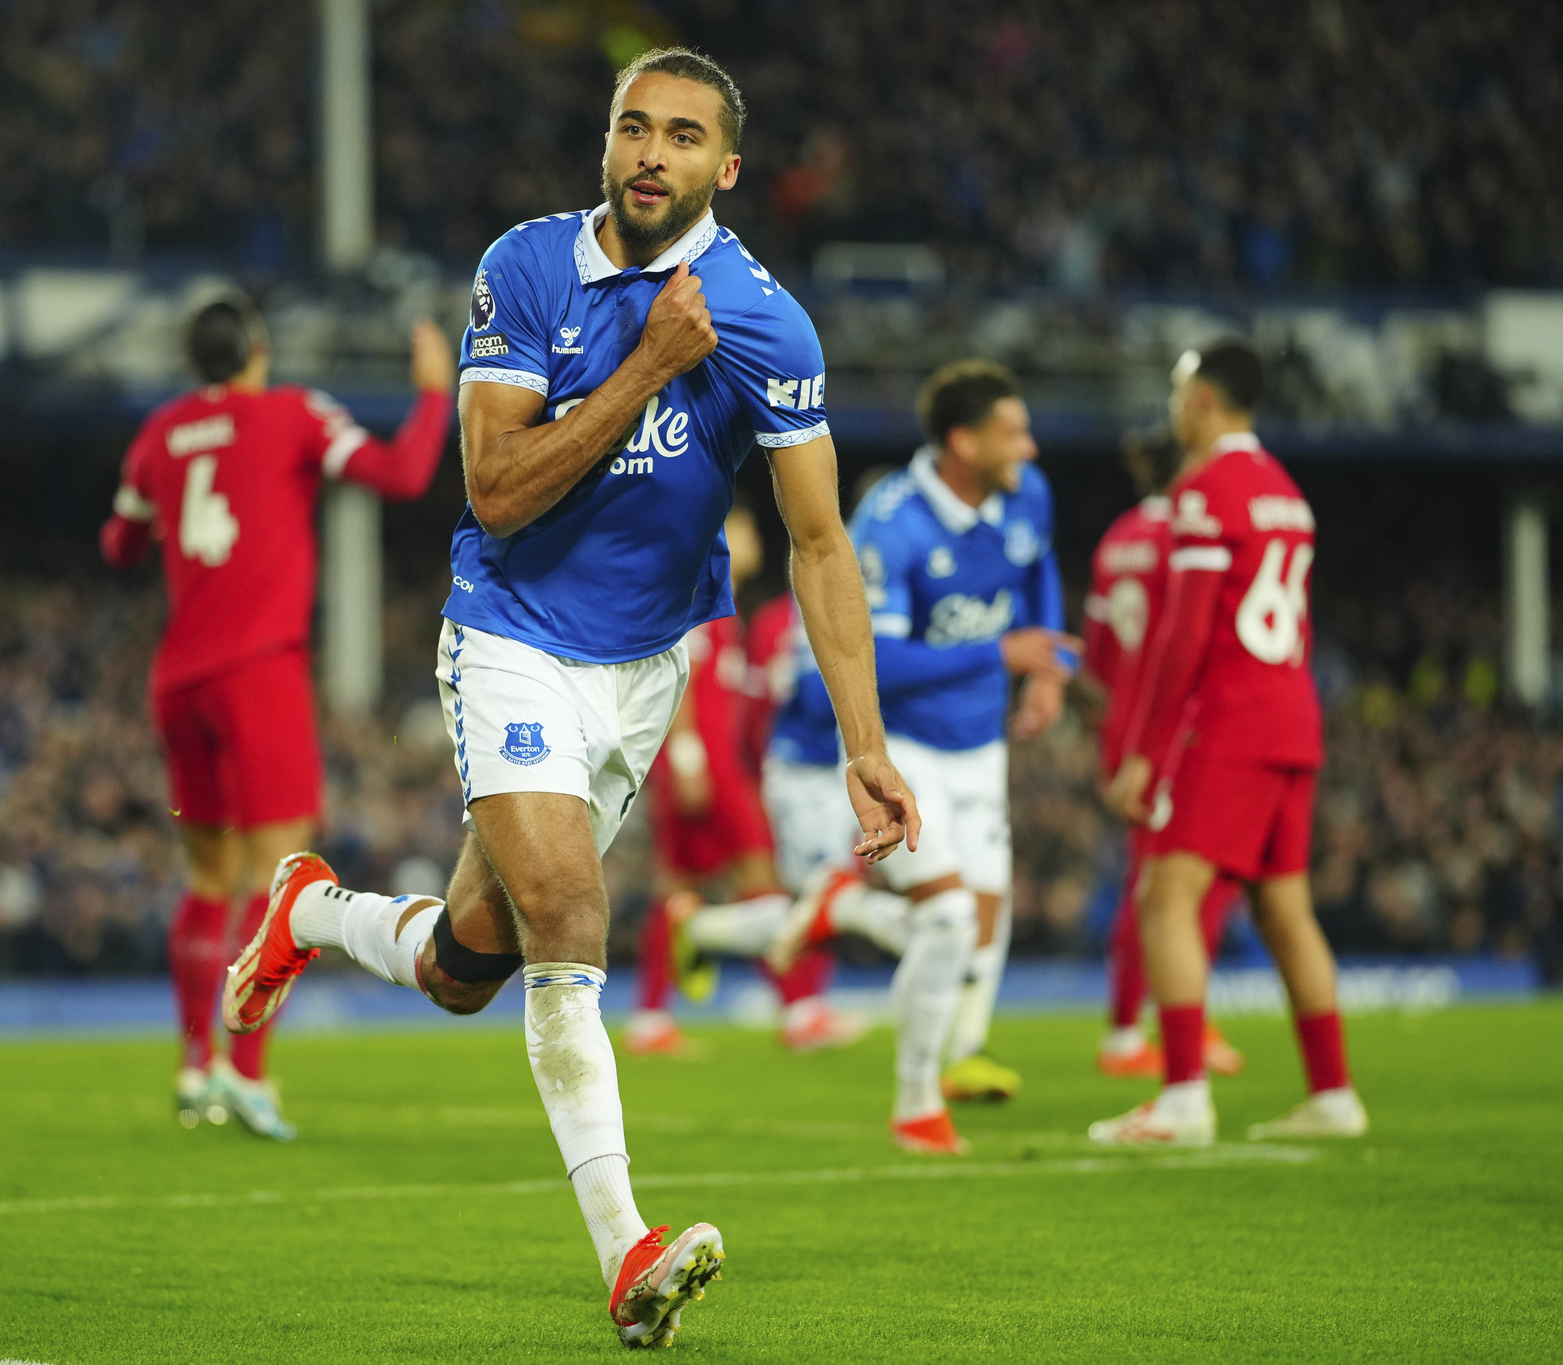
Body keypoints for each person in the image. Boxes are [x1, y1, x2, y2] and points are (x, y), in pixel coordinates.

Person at [221, 48, 918, 1349]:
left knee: (463, 964)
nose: (653, 153)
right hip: (512, 630)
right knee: (568, 910)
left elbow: (819, 545)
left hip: (649, 667)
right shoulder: (528, 268)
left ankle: (310, 910)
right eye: (634, 128)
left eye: (684, 137)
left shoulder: (767, 321)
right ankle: (629, 1252)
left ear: (727, 166)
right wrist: (651, 364)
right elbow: (493, 487)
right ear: (608, 140)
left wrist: (865, 742)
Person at [99, 292, 453, 1138]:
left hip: (178, 680)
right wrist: (435, 393)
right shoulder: (291, 412)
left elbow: (117, 544)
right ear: (258, 350)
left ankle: (194, 1066)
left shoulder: (158, 434)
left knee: (207, 880)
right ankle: (247, 1074)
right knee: (281, 880)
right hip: (257, 671)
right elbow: (402, 473)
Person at [775, 360, 1078, 1155]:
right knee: (945, 918)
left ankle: (947, 1050)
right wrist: (1001, 652)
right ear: (961, 441)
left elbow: (1040, 569)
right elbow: (880, 660)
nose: (1031, 448)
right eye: (1012, 432)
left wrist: (1048, 668)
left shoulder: (1026, 498)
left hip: (982, 749)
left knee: (983, 920)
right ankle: (916, 1104)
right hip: (904, 745)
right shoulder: (892, 522)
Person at [1096, 338, 1368, 1145]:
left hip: (1233, 718)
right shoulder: (1287, 490)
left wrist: (1144, 749)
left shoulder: (1204, 489)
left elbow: (1183, 635)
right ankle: (1333, 1092)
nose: (1175, 409)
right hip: (1294, 715)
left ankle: (1182, 1096)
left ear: (1204, 400)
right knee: (1287, 908)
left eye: (1180, 393)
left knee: (1163, 896)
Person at [625, 502, 858, 1057]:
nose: (756, 539)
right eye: (746, 527)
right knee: (762, 882)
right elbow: (677, 677)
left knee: (677, 891)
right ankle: (801, 1010)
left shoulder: (719, 602)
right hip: (706, 766)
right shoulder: (699, 595)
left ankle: (651, 1020)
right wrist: (687, 758)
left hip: (703, 763)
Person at [1082, 428, 1246, 1079]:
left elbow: (1096, 661)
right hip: (1173, 728)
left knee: (1155, 878)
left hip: (1124, 723)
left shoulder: (1116, 539)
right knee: (1178, 882)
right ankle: (1133, 1032)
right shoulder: (1187, 534)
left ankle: (1154, 1020)